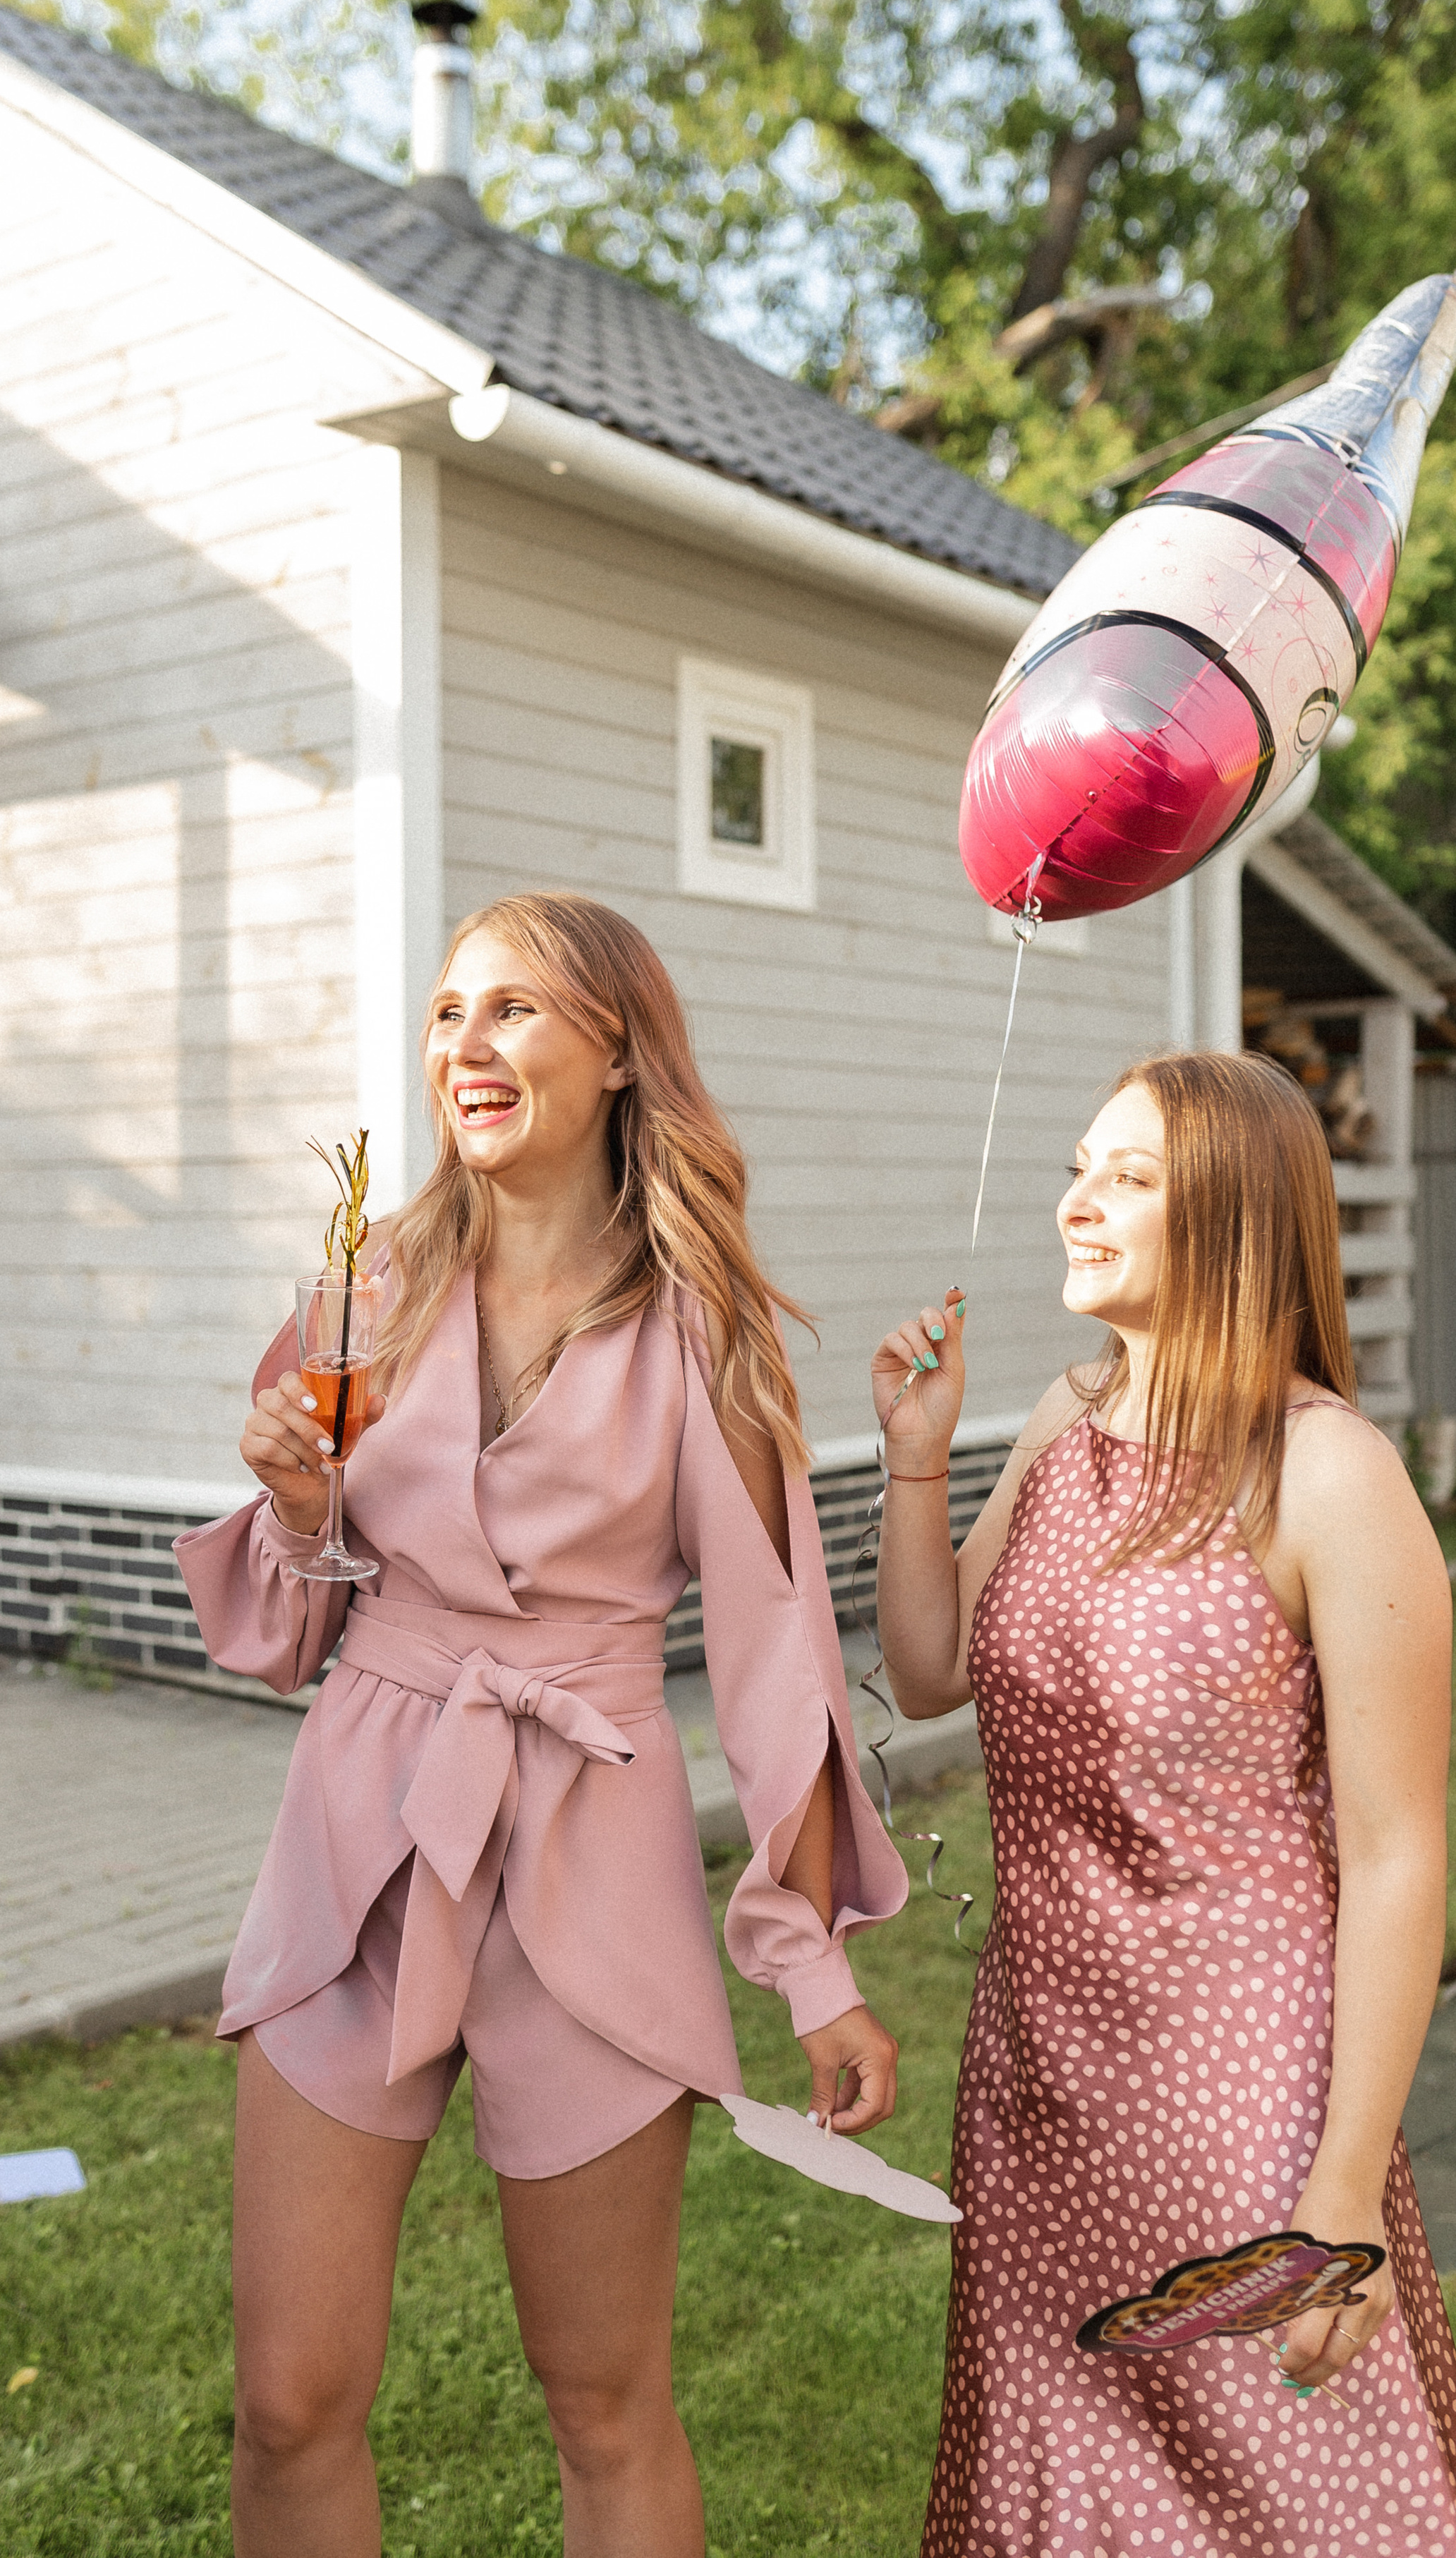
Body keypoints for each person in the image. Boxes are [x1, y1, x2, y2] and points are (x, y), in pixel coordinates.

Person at [176, 890, 909, 2557]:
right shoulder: (360, 1289)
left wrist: (812, 1968)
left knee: (601, 2401)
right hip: (360, 1833)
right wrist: (295, 1500)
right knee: (289, 2397)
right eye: (447, 1013)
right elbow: (288, 1630)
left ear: (615, 1053)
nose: (465, 1044)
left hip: (588, 1850)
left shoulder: (703, 1331)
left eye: (511, 1009)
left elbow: (776, 1661)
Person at [873, 1049, 1456, 2556]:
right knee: (1061, 2498)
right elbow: (932, 1668)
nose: (1076, 1201)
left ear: (1235, 1217)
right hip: (1038, 2083)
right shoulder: (1071, 1412)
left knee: (1284, 2500)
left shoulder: (1326, 1473)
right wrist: (916, 1466)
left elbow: (1399, 1855)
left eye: (1126, 1177)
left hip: (1246, 2108)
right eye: (1078, 1166)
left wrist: (1339, 2192)